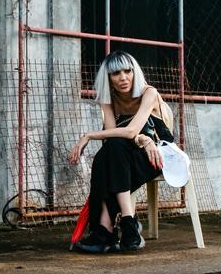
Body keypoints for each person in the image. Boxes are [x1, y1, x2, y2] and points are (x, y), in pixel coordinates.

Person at [67, 51, 170, 254]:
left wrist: (89, 135)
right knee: (106, 155)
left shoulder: (148, 93)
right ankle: (127, 224)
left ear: (134, 72)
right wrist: (140, 139)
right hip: (128, 152)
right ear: (108, 78)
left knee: (111, 155)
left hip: (157, 153)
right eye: (116, 73)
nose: (123, 78)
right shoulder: (109, 99)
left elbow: (130, 131)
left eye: (127, 71)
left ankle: (106, 230)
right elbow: (113, 137)